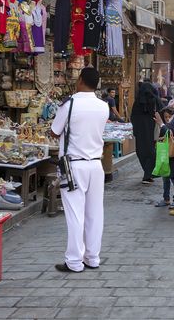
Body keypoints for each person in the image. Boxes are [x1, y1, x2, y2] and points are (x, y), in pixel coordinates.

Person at [50, 67, 109, 273]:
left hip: (74, 165)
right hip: (96, 164)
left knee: (75, 214)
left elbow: (54, 131)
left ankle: (74, 261)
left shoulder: (70, 104)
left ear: (81, 80)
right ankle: (92, 257)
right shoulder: (103, 106)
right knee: (95, 213)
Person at [131, 80, 161, 184]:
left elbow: (133, 117)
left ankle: (147, 173)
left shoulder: (137, 102)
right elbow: (161, 112)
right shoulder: (155, 100)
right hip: (153, 130)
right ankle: (148, 174)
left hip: (140, 131)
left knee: (141, 152)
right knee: (152, 151)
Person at [154, 107, 174, 209]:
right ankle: (166, 198)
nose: (167, 119)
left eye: (169, 117)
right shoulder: (163, 126)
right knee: (165, 177)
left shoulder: (173, 125)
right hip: (164, 154)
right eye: (166, 117)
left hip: (173, 154)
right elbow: (158, 138)